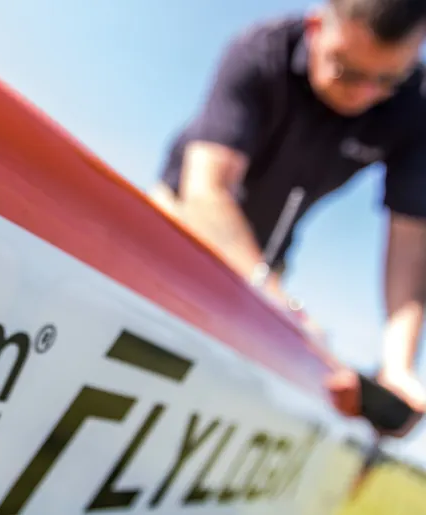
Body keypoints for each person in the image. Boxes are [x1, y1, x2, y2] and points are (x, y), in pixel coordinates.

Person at [148, 0, 426, 428]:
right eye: (347, 70)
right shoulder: (261, 51)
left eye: (388, 79)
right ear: (317, 26)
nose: (365, 94)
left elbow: (409, 246)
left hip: (269, 266)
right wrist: (282, 305)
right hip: (177, 225)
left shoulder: (414, 107)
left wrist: (399, 366)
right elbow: (206, 191)